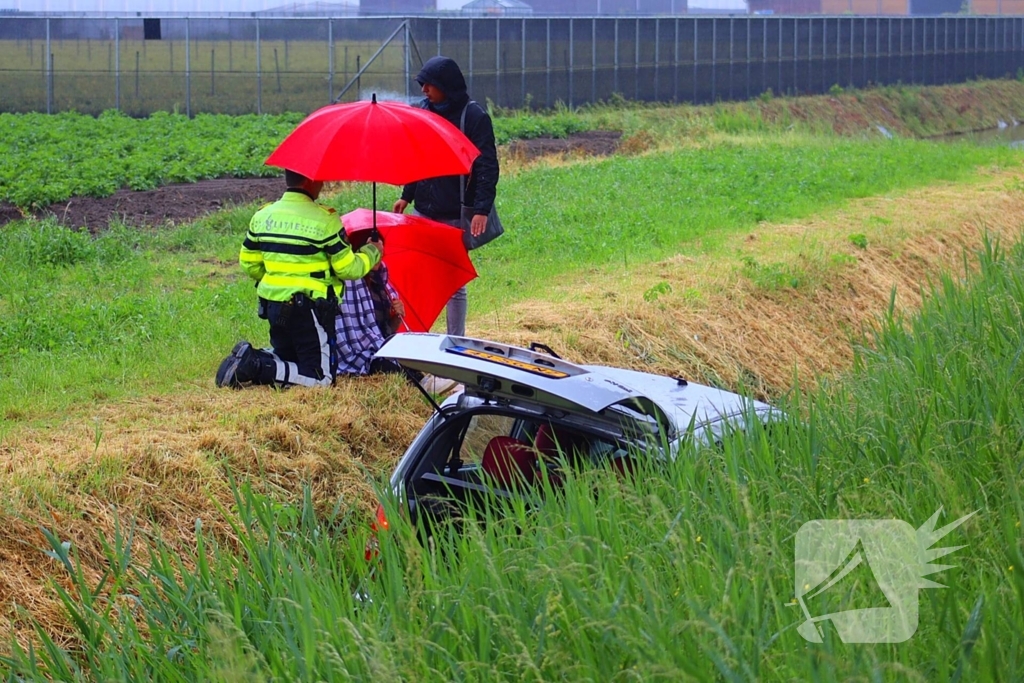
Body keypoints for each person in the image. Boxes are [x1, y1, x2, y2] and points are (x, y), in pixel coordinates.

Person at [215, 169, 382, 389]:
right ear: (309, 180)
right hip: (308, 311)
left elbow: (249, 263)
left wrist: (278, 282)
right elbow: (348, 268)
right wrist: (372, 251)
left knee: (290, 360)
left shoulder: (263, 216)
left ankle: (249, 358)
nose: (322, 183)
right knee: (322, 380)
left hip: (272, 305)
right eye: (319, 178)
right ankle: (255, 365)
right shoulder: (325, 220)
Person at [392, 55, 499, 338]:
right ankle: (412, 336)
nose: (424, 90)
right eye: (422, 84)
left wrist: (481, 209)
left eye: (429, 85)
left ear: (446, 86)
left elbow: (487, 165)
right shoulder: (423, 111)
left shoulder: (474, 117)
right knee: (413, 274)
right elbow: (417, 157)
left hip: (454, 212)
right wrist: (407, 194)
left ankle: (455, 340)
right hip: (423, 211)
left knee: (453, 282)